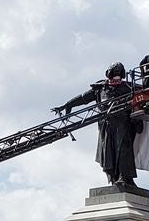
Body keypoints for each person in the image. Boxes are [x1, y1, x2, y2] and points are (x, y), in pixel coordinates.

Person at [53, 62, 141, 190]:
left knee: (123, 151)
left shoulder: (129, 88)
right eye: (113, 75)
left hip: (123, 124)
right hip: (106, 125)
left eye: (118, 75)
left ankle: (125, 177)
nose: (115, 79)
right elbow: (83, 98)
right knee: (108, 153)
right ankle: (115, 178)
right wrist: (67, 105)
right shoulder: (100, 88)